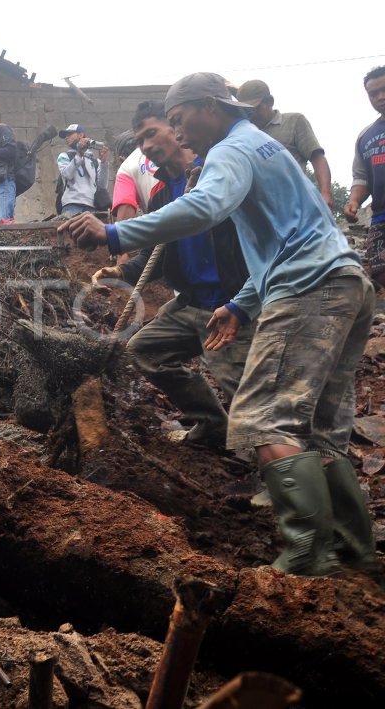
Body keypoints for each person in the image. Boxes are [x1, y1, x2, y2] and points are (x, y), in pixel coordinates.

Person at [61, 72, 378, 577]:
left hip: (308, 290)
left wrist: (116, 233)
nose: (178, 132)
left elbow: (207, 208)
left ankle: (307, 555)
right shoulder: (264, 147)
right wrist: (243, 303)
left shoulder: (231, 150)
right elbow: (288, 239)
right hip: (344, 281)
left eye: (181, 121)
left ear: (211, 106)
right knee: (318, 430)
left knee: (262, 418)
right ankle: (356, 553)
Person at [92, 101, 253, 451]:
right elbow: (158, 254)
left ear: (177, 129)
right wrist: (121, 269)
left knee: (243, 386)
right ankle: (212, 425)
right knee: (143, 351)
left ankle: (285, 470)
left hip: (232, 303)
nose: (147, 146)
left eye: (152, 133)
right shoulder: (163, 193)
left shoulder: (218, 172)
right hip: (192, 304)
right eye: (140, 141)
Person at [237, 80, 335, 211]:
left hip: (295, 204)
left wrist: (326, 193)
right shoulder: (243, 134)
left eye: (256, 108)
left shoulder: (294, 121)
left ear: (270, 102)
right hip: (260, 209)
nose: (251, 114)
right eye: (246, 110)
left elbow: (317, 157)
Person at [344, 65, 385, 284]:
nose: (380, 97)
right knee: (380, 273)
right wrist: (354, 201)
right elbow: (361, 177)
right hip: (380, 218)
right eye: (373, 93)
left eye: (384, 89)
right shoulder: (366, 136)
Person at [55, 124, 108, 217]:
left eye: (70, 134)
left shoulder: (93, 160)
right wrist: (79, 154)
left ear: (81, 135)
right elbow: (67, 174)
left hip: (92, 205)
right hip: (72, 204)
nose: (66, 138)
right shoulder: (64, 156)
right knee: (72, 231)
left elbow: (102, 185)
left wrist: (103, 163)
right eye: (65, 136)